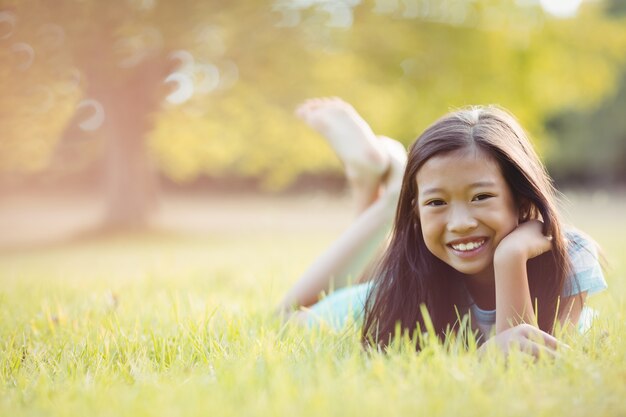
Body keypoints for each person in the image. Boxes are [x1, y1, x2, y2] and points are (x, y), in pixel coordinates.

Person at [278, 97, 607, 357]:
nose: (461, 223)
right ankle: (387, 197)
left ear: (520, 200)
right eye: (436, 202)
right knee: (288, 315)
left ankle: (378, 184)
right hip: (399, 287)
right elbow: (289, 322)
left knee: (367, 273)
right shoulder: (407, 278)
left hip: (404, 277)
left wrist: (511, 257)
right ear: (417, 211)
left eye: (481, 196)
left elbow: (525, 355)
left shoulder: (569, 255)